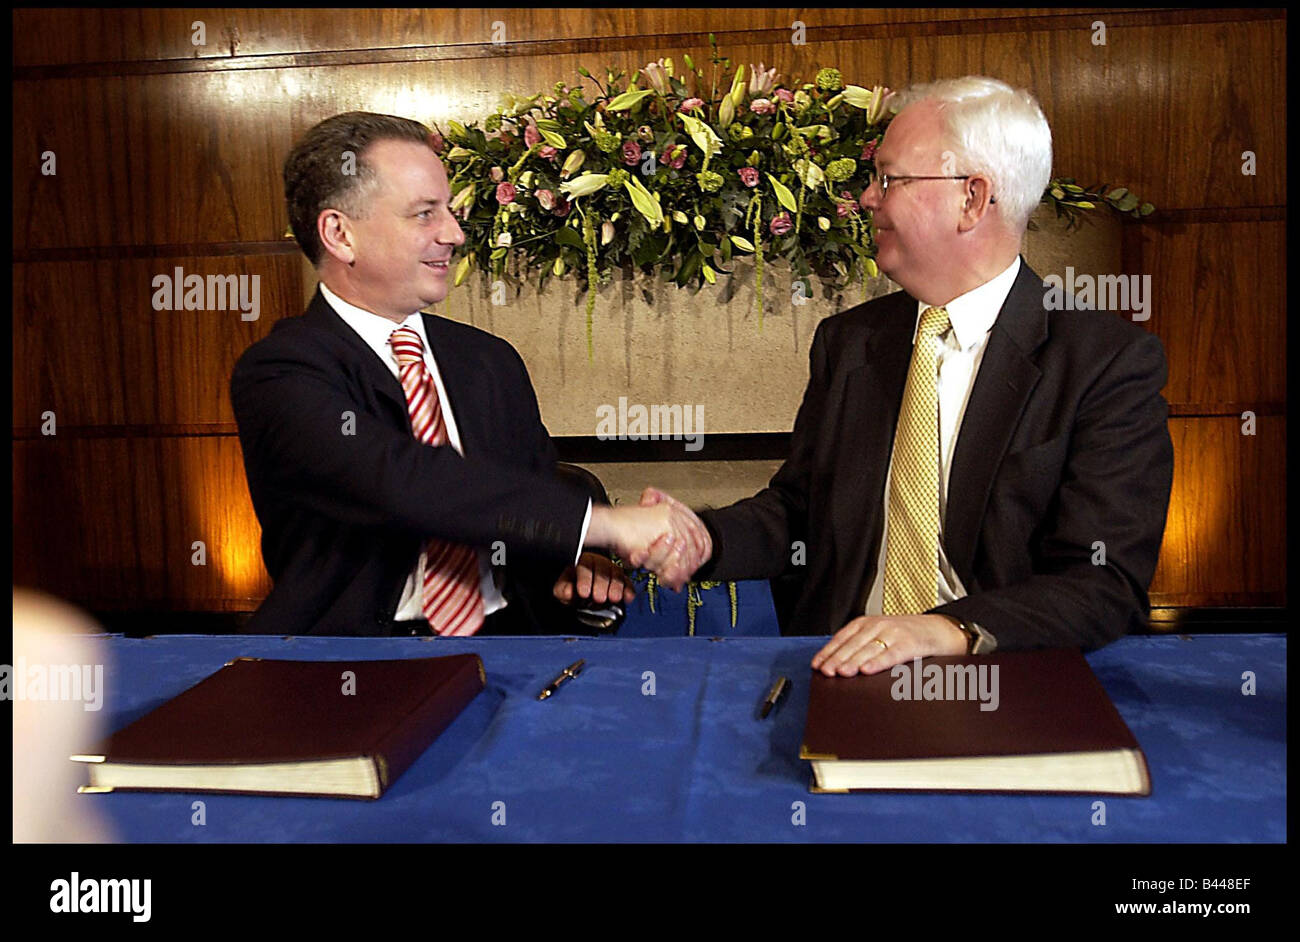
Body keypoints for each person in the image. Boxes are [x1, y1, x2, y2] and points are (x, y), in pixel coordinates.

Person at [639, 77, 1174, 676]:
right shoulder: (850, 343)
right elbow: (797, 511)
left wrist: (946, 631)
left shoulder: (1106, 364)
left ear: (972, 198)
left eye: (889, 179)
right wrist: (704, 538)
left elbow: (1102, 583)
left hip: (1006, 679)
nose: (868, 198)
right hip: (842, 672)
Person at [231, 112, 708, 637]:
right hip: (355, 665)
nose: (455, 234)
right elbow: (403, 481)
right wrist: (608, 523)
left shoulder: (490, 360)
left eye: (451, 212)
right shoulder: (279, 373)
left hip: (511, 644)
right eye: (424, 214)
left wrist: (569, 560)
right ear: (340, 234)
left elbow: (525, 494)